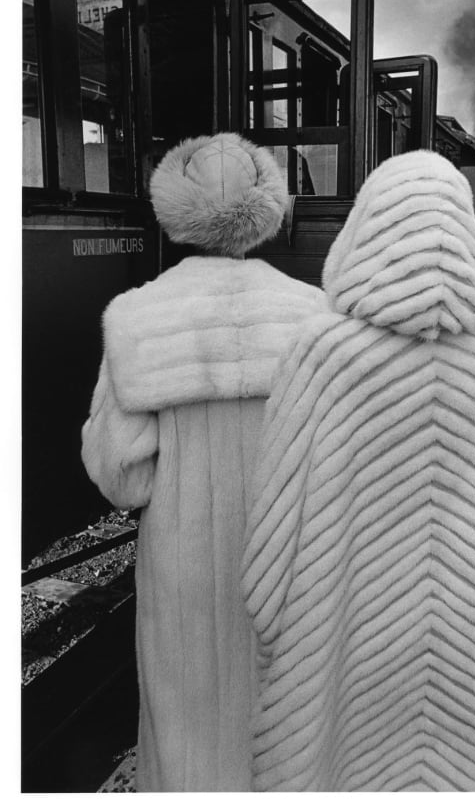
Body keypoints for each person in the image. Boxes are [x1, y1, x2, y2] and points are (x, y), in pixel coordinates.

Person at [242, 150, 475, 791]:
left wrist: (270, 617)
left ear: (365, 227)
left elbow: (275, 516)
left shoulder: (324, 351)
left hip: (342, 621)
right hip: (469, 623)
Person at [81, 132, 327, 791]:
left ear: (174, 208)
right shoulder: (315, 316)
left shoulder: (136, 318)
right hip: (289, 562)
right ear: (266, 207)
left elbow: (121, 474)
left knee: (184, 727)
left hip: (182, 569)